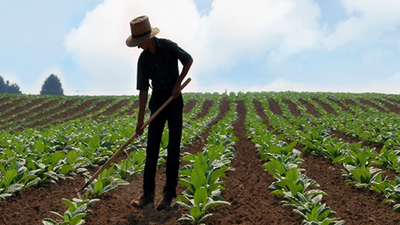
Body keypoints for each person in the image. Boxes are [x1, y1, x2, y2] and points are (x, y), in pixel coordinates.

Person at [126, 15, 193, 211]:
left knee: (173, 149)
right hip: (157, 102)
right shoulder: (143, 59)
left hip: (173, 101)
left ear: (148, 38)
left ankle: (168, 195)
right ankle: (147, 194)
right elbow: (143, 91)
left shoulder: (168, 46)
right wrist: (140, 121)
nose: (138, 47)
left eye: (140, 43)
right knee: (152, 149)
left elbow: (188, 60)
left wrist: (178, 83)